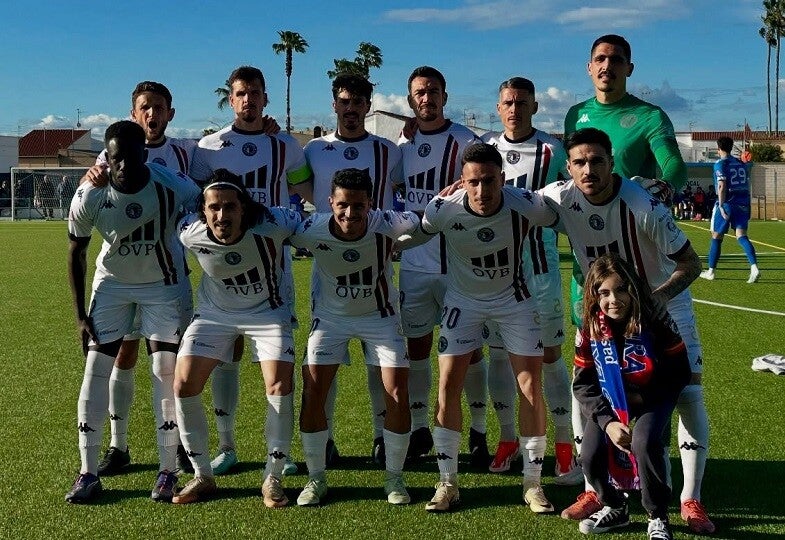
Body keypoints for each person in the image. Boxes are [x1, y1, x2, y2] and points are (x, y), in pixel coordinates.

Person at [541, 128, 715, 534]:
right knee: (589, 386)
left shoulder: (642, 204)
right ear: (569, 168)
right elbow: (507, 199)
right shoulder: (558, 197)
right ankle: (597, 492)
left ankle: (690, 498)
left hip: (661, 303)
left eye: (597, 161)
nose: (588, 170)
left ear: (611, 163)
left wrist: (654, 300)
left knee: (689, 392)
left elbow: (690, 263)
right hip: (605, 309)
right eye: (580, 162)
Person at [414, 143, 556, 513]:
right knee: (448, 384)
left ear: (502, 179)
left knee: (530, 386)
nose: (482, 190)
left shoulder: (526, 204)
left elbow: (563, 212)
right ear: (462, 182)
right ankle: (447, 482)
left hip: (515, 301)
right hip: (463, 301)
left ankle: (533, 483)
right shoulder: (442, 209)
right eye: (473, 182)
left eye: (489, 181)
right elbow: (416, 232)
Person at [65, 120, 200, 503]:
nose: (123, 165)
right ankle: (87, 473)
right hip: (112, 287)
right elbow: (76, 252)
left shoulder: (172, 184)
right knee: (96, 370)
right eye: (115, 158)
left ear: (145, 153)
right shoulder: (89, 194)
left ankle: (167, 471)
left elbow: (205, 204)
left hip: (163, 287)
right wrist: (80, 316)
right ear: (106, 158)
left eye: (131, 156)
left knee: (164, 372)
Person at [189, 65, 312, 475]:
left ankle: (280, 452)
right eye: (241, 93)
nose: (248, 100)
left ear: (265, 97)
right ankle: (227, 446)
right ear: (230, 98)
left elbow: (306, 190)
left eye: (255, 93)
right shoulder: (208, 147)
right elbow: (196, 202)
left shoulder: (285, 145)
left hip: (273, 269)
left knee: (273, 362)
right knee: (226, 354)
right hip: (223, 272)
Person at [289, 168, 419, 506]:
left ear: (370, 204)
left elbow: (425, 221)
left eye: (358, 206)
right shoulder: (311, 228)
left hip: (380, 318)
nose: (350, 213)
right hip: (330, 320)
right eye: (342, 205)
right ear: (330, 202)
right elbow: (281, 230)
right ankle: (316, 478)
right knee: (313, 390)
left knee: (397, 390)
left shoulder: (389, 222)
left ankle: (394, 478)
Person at [172, 170, 301, 506]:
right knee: (183, 383)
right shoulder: (189, 233)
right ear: (203, 211)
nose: (221, 215)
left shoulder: (274, 223)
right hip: (214, 315)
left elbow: (311, 225)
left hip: (268, 314)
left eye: (230, 206)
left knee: (278, 386)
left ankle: (272, 477)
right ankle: (202, 475)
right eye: (214, 208)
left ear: (244, 208)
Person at [92, 81, 199, 477]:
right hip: (122, 276)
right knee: (124, 355)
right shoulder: (110, 153)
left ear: (170, 113)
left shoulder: (188, 151)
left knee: (170, 363)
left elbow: (212, 180)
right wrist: (91, 177)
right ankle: (118, 446)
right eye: (144, 107)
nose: (152, 113)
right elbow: (93, 193)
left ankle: (181, 443)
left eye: (159, 106)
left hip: (167, 276)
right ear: (133, 113)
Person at [481, 77, 579, 483]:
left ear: (535, 107)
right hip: (495, 274)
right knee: (499, 357)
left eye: (522, 103)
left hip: (540, 272)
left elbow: (573, 194)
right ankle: (507, 437)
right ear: (498, 107)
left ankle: (564, 443)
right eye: (508, 102)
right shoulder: (485, 147)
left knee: (550, 357)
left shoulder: (552, 150)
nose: (514, 109)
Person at [303, 72, 404, 467]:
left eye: (358, 102)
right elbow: (301, 189)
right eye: (344, 101)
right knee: (322, 361)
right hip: (328, 265)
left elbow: (402, 191)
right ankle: (325, 439)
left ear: (368, 106)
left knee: (380, 359)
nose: (350, 108)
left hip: (377, 263)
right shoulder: (314, 149)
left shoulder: (388, 150)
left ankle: (381, 437)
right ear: (334, 105)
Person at [397, 66, 484, 464]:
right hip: (414, 264)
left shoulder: (465, 140)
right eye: (420, 92)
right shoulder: (402, 143)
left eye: (433, 91)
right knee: (417, 347)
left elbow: (485, 178)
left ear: (444, 97)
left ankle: (479, 431)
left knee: (471, 349)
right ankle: (419, 429)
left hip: (458, 264)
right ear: (410, 99)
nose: (426, 98)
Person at [574, 253, 690, 540]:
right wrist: (608, 422)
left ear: (633, 289)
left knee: (644, 441)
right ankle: (615, 505)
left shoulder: (655, 318)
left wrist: (643, 397)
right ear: (594, 296)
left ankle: (657, 515)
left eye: (621, 289)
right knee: (588, 455)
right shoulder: (589, 326)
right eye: (604, 293)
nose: (613, 299)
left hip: (652, 396)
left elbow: (680, 372)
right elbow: (583, 385)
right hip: (611, 401)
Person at [700, 136, 760, 283]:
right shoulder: (741, 163)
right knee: (741, 236)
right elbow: (746, 184)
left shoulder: (720, 164)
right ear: (731, 147)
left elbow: (721, 185)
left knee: (716, 236)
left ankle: (711, 272)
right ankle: (754, 267)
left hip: (727, 203)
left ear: (718, 149)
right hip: (743, 203)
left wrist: (721, 205)